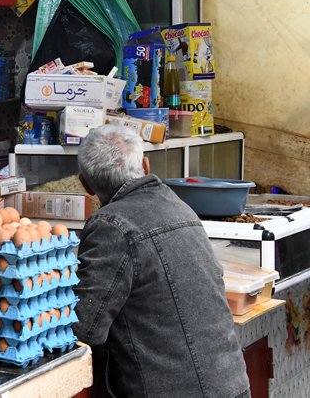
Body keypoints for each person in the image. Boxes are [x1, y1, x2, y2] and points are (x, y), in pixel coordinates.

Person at [73, 123, 250, 398]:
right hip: (231, 383)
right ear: (145, 165)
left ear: (85, 184)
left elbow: (86, 327)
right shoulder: (179, 206)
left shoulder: (112, 226)